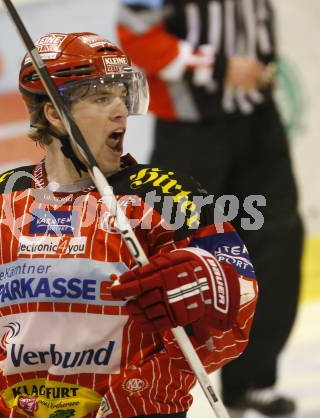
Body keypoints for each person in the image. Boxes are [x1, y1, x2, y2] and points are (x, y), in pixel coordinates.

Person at [0, 32, 257, 418]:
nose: (121, 110)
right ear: (53, 113)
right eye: (101, 98)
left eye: (121, 94)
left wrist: (214, 282)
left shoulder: (166, 195)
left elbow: (240, 312)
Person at [116, 1, 304, 417]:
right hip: (191, 135)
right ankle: (151, 390)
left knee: (276, 245)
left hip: (258, 123)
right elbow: (136, 37)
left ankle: (250, 382)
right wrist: (218, 67)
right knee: (169, 255)